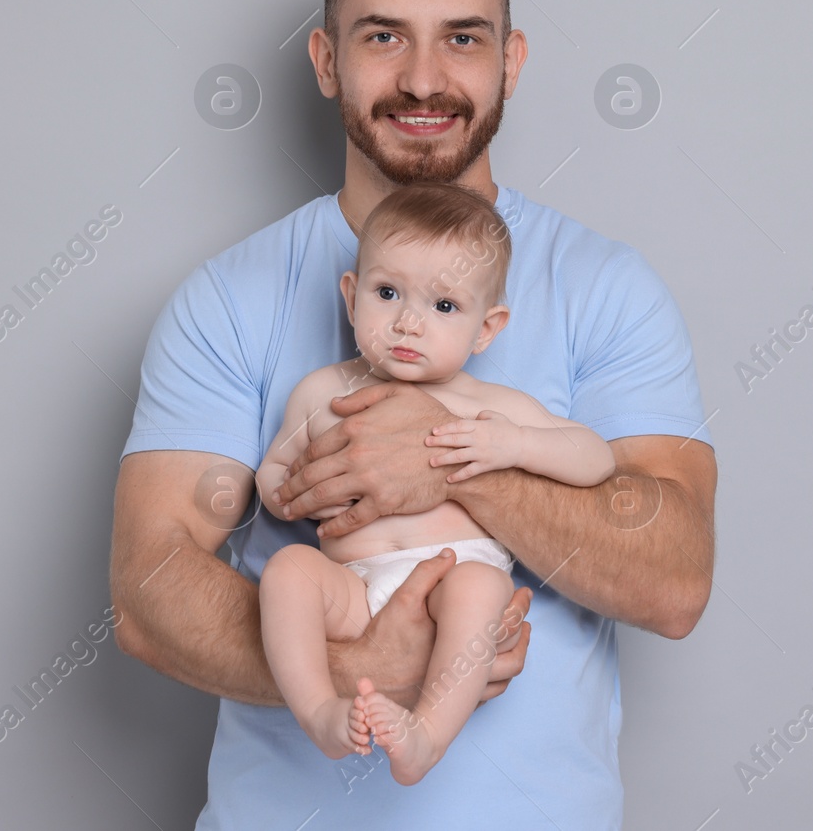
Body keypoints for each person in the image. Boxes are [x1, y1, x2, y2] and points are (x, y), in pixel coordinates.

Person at [109, 0, 718, 830]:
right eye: (384, 36)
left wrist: (446, 460)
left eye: (463, 39)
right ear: (326, 61)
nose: (424, 78)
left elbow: (674, 578)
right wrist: (364, 671)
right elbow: (148, 593)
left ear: (510, 62)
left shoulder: (606, 286)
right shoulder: (229, 297)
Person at [254, 181, 617, 784]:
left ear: (486, 328)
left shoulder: (487, 404)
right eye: (387, 292)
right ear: (351, 297)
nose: (407, 323)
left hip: (450, 582)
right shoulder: (323, 393)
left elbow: (595, 457)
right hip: (352, 587)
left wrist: (516, 444)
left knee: (479, 587)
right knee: (288, 572)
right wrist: (287, 490)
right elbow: (273, 469)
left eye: (443, 306)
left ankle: (425, 737)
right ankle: (319, 711)